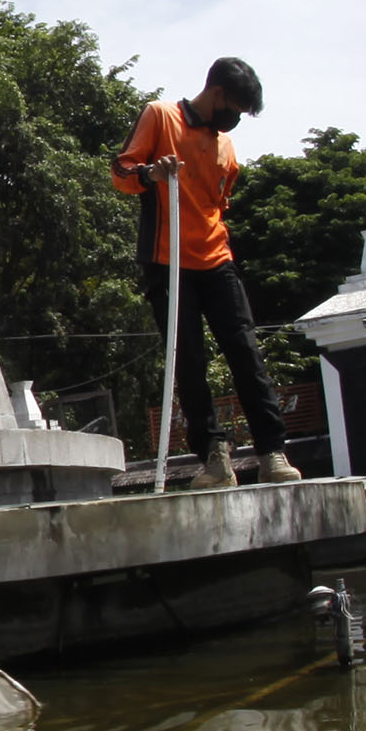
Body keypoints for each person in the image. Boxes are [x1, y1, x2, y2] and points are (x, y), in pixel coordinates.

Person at [112, 57, 305, 489]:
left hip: (217, 260)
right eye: (234, 108)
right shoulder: (161, 116)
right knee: (190, 362)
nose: (234, 119)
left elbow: (220, 203)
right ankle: (215, 458)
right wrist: (151, 174)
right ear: (217, 93)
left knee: (246, 353)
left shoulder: (226, 147)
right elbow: (121, 172)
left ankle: (272, 452)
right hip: (168, 261)